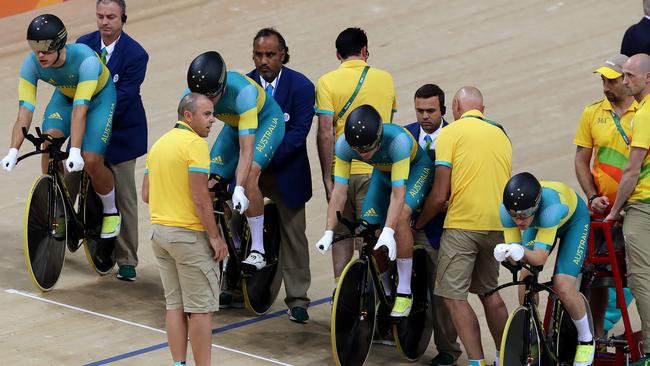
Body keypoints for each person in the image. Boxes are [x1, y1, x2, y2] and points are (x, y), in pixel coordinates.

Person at [414, 87, 511, 366]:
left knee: (453, 297)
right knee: (489, 293)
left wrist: (417, 223)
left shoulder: (450, 134)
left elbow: (440, 194)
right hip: (496, 225)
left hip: (462, 225)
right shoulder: (500, 133)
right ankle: (506, 357)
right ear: (482, 109)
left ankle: (476, 361)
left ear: (455, 106)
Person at [0, 14, 121, 238]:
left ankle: (111, 210)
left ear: (59, 44)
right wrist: (13, 150)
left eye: (45, 48)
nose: (40, 54)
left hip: (98, 99)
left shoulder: (86, 60)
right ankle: (58, 208)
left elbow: (81, 108)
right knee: (48, 143)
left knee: (92, 159)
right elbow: (24, 111)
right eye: (34, 47)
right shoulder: (31, 64)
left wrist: (75, 151)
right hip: (66, 97)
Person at [316, 104, 432, 317]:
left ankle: (405, 292)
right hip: (382, 173)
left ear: (378, 138)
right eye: (358, 150)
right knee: (369, 229)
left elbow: (398, 196)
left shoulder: (398, 142)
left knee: (401, 217)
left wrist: (389, 230)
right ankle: (386, 289)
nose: (363, 154)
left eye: (368, 148)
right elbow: (339, 193)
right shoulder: (344, 145)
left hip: (415, 170)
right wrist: (329, 231)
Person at [142, 93, 228, 366]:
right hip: (188, 237)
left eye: (212, 114)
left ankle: (178, 363)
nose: (212, 120)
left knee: (174, 305)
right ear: (187, 116)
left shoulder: (159, 145)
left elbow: (146, 193)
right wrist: (215, 237)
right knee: (201, 310)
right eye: (206, 114)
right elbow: (201, 197)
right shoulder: (195, 145)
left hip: (160, 234)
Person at [186, 51, 285, 272]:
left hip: (264, 123)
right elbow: (183, 139)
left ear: (222, 87)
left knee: (249, 178)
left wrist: (238, 187)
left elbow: (246, 152)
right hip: (234, 126)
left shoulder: (244, 93)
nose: (205, 103)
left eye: (210, 97)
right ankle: (225, 238)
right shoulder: (191, 97)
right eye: (200, 97)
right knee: (209, 184)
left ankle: (259, 249)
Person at [315, 27, 397, 287]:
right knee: (372, 240)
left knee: (340, 237)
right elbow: (388, 125)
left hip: (342, 172)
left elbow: (326, 134)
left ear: (338, 54)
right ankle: (381, 293)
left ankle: (342, 298)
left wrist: (328, 180)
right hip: (373, 175)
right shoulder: (386, 80)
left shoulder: (327, 82)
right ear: (365, 51)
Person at [245, 28, 314, 323]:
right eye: (259, 54)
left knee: (294, 235)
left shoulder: (301, 87)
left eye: (270, 55)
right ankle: (235, 286)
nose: (264, 60)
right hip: (252, 174)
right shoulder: (246, 85)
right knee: (236, 223)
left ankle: (298, 298)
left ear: (283, 55)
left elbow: (298, 135)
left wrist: (262, 156)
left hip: (287, 172)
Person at [76, 0, 149, 281]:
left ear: (123, 19)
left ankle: (127, 259)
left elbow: (123, 98)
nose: (105, 22)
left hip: (121, 132)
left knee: (125, 196)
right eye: (100, 16)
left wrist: (89, 119)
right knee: (70, 171)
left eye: (111, 17)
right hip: (89, 126)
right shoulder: (83, 45)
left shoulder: (135, 54)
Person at [495, 172, 595, 366]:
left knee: (563, 285)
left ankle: (586, 339)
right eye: (514, 215)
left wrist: (519, 250)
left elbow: (539, 259)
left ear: (535, 207)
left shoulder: (550, 210)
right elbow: (519, 261)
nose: (518, 221)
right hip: (539, 222)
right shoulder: (509, 213)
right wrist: (506, 253)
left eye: (523, 215)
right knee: (526, 276)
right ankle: (534, 329)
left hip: (573, 222)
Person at [573, 54, 637, 340]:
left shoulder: (644, 111)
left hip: (637, 208)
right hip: (603, 210)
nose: (605, 87)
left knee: (639, 275)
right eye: (602, 80)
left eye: (610, 80)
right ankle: (597, 335)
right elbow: (581, 159)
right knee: (596, 275)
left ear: (626, 79)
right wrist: (590, 197)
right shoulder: (592, 113)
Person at [403, 84, 461, 366]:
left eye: (430, 111)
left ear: (443, 110)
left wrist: (417, 221)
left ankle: (448, 348)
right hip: (408, 222)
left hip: (439, 228)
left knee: (441, 291)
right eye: (419, 110)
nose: (424, 116)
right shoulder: (405, 135)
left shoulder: (455, 138)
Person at [605, 53, 650, 366]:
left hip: (643, 206)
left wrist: (614, 210)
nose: (624, 81)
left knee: (640, 277)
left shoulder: (645, 112)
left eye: (630, 76)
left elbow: (633, 169)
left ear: (647, 78)